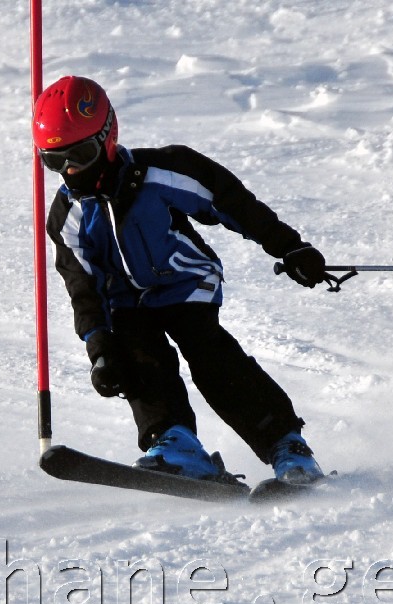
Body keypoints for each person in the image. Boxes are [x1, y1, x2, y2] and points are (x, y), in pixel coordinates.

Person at [34, 75, 328, 484]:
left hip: (185, 282)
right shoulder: (67, 216)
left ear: (107, 136)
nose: (70, 170)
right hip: (127, 301)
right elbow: (82, 287)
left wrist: (289, 248)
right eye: (54, 160)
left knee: (210, 355)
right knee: (135, 355)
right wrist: (100, 348)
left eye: (80, 153)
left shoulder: (163, 171)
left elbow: (233, 203)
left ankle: (287, 446)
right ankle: (174, 442)